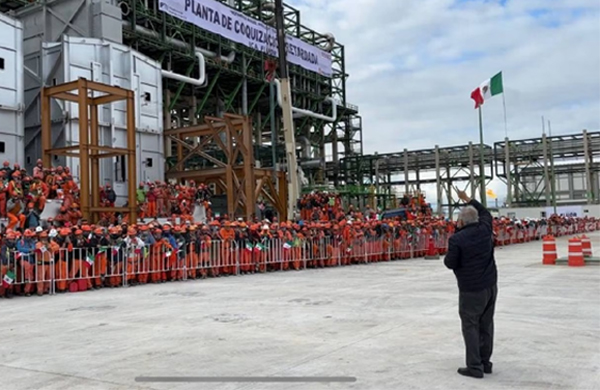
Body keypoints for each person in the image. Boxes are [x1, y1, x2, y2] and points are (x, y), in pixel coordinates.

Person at [444, 190, 497, 379]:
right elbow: (485, 212)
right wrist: (468, 200)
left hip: (470, 289)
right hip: (490, 285)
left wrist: (457, 233)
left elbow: (450, 263)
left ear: (461, 222)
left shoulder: (457, 239)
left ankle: (474, 366)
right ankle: (485, 362)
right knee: (486, 324)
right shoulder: (485, 228)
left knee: (470, 326)